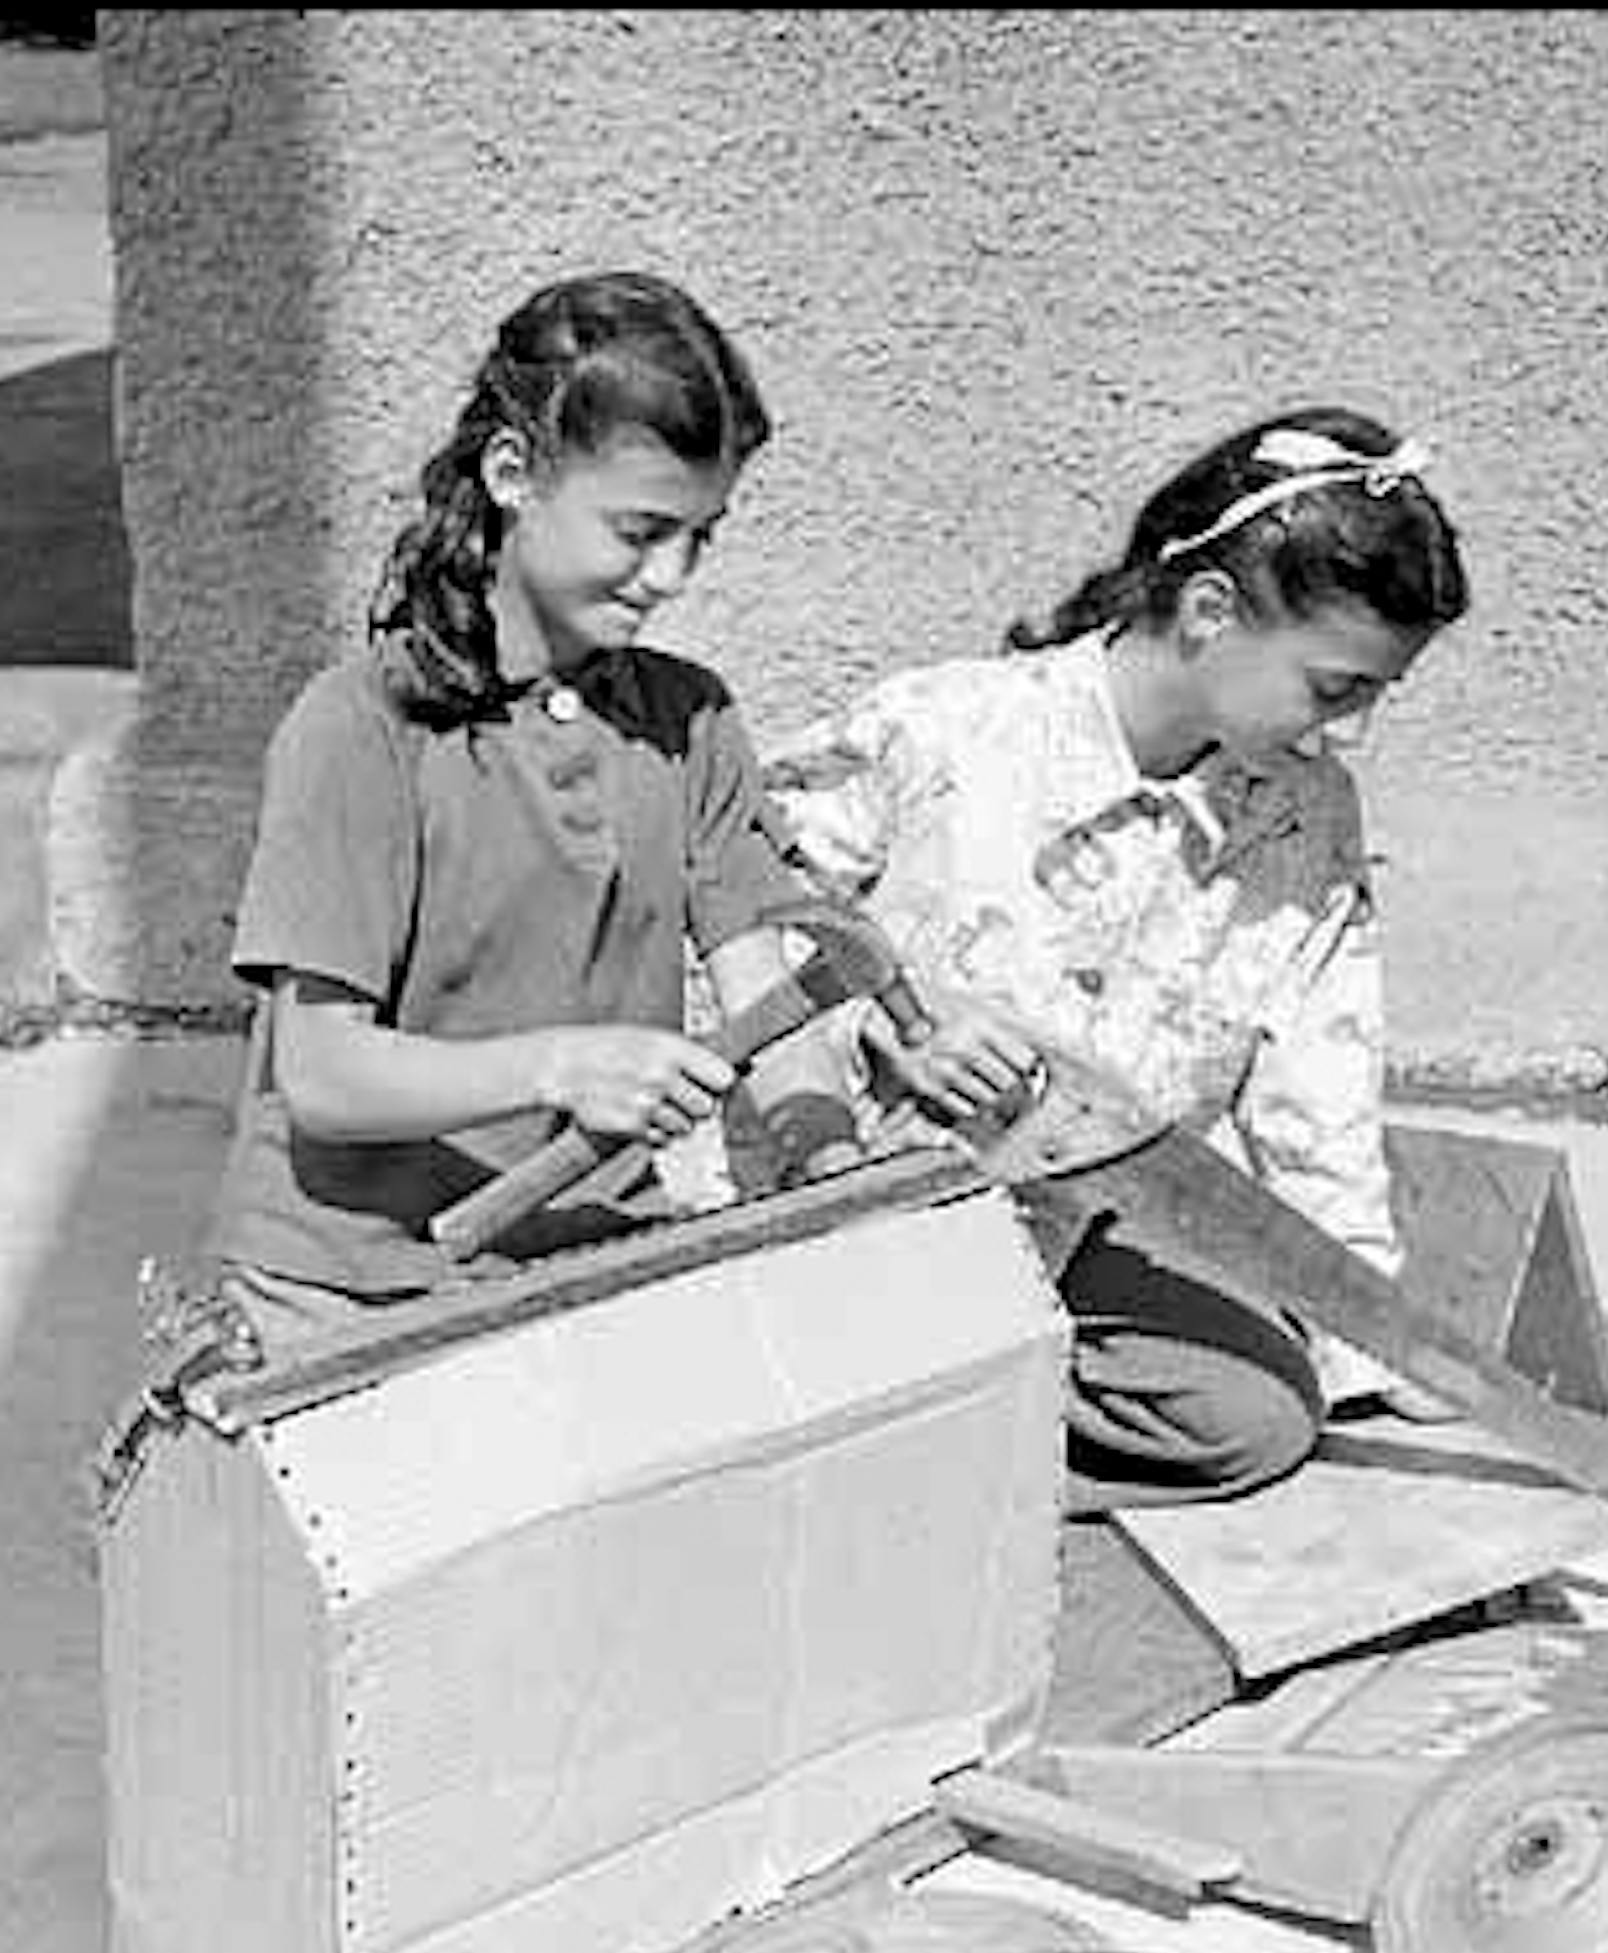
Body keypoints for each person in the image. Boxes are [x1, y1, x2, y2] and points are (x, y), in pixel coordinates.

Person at [755, 408, 1472, 1515]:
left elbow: (1315, 1095)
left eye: (1377, 694)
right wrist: (894, 1014)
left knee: (1259, 1412)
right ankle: (871, 1424)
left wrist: (1372, 1336)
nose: (1355, 730)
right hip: (843, 1203)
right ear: (1208, 610)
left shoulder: (1307, 813)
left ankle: (927, 1433)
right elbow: (744, 915)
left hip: (1067, 1239)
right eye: (1336, 688)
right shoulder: (946, 728)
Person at [205, 269, 854, 1356]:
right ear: (514, 473)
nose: (673, 576)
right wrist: (562, 1065)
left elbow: (765, 993)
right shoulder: (363, 727)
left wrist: (831, 1164)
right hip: (351, 1285)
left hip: (590, 1256)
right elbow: (320, 1075)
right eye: (641, 530)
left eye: (705, 535)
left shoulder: (689, 720)